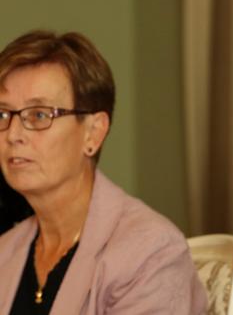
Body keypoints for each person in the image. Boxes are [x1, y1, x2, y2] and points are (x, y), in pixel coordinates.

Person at [0, 31, 207, 314]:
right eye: (3, 114)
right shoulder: (6, 249)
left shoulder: (150, 251)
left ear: (93, 133)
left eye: (38, 115)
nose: (13, 134)